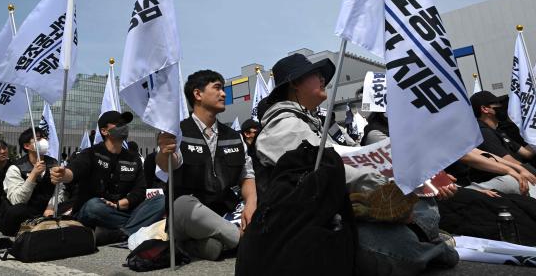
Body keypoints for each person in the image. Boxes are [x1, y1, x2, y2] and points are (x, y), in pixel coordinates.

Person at [254, 53, 458, 275]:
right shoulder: (283, 127)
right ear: (294, 83)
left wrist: (419, 180)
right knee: (400, 249)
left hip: (339, 213)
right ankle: (430, 244)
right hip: (309, 228)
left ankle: (421, 236)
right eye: (315, 74)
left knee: (420, 206)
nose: (323, 79)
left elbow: (354, 157)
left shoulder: (314, 124)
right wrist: (389, 190)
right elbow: (325, 171)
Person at [157, 69, 257, 261]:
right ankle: (248, 241)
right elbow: (167, 165)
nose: (224, 94)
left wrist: (251, 204)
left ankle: (206, 244)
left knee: (215, 245)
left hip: (225, 213)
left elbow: (247, 175)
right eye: (218, 88)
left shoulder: (234, 136)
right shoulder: (176, 132)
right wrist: (164, 151)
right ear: (198, 94)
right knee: (185, 205)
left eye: (223, 89)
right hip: (186, 215)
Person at [50, 111, 165, 245]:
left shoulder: (134, 159)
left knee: (161, 201)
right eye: (119, 124)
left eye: (125, 124)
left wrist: (120, 204)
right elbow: (74, 170)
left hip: (122, 211)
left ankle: (121, 233)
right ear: (104, 131)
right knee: (94, 206)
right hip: (97, 210)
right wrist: (64, 175)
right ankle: (134, 227)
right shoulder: (91, 153)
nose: (124, 127)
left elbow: (140, 190)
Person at [0, 128, 61, 236]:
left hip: (48, 209)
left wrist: (51, 206)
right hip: (27, 211)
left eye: (45, 138)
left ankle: (45, 223)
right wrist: (33, 174)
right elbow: (17, 200)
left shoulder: (53, 163)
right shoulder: (15, 168)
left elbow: (60, 190)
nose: (44, 141)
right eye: (38, 139)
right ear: (27, 146)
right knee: (17, 211)